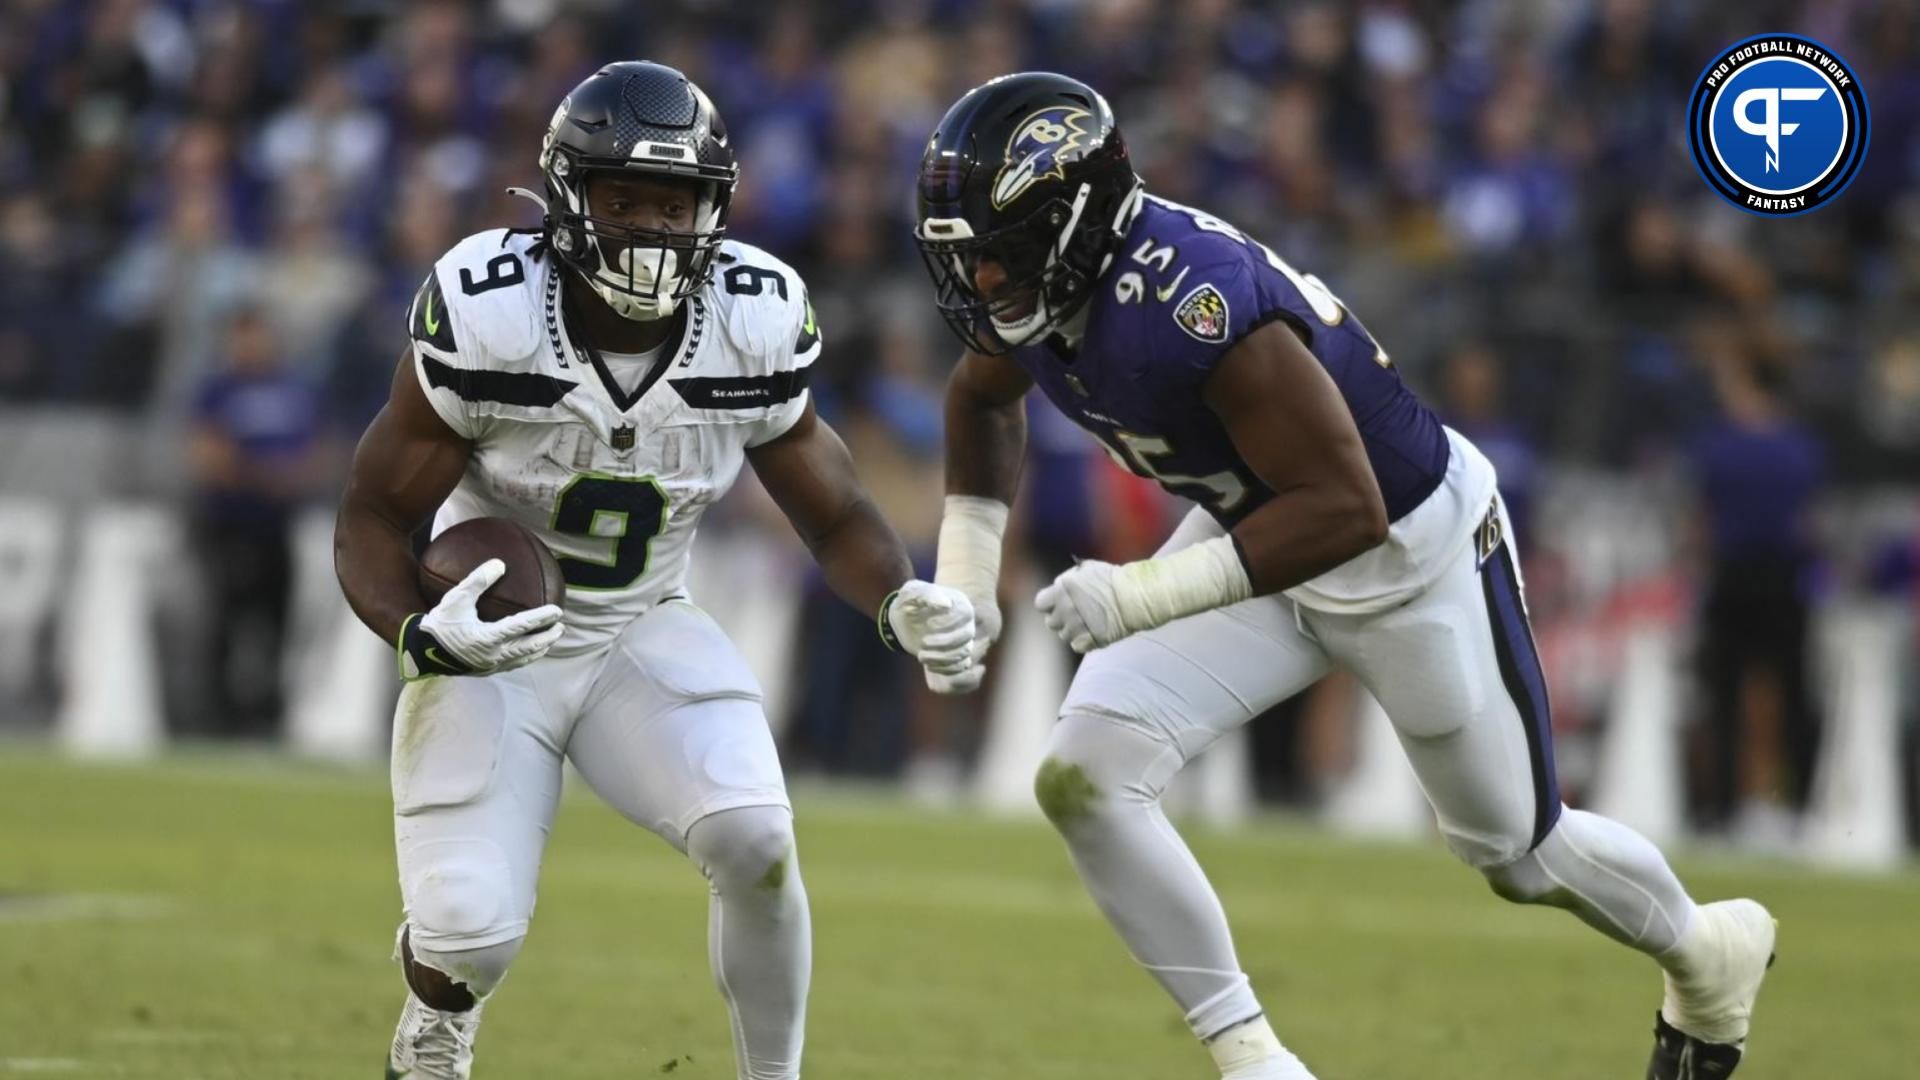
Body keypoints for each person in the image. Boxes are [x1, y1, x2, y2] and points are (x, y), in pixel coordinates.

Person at [909, 72, 1774, 1080]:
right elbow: (980, 397)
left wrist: (1139, 593)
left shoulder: (1192, 307)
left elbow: (1345, 507)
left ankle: (1708, 956)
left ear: (1077, 225)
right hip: (1257, 538)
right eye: (966, 261)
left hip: (1408, 554)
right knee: (1084, 777)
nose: (981, 285)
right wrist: (967, 577)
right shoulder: (1052, 291)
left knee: (1519, 855)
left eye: (998, 258)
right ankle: (1255, 1061)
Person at [334, 62, 975, 1080]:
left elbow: (835, 506)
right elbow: (374, 512)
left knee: (758, 840)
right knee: (468, 937)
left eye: (671, 203)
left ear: (711, 207)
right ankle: (437, 1012)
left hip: (641, 624)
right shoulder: (487, 309)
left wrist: (899, 598)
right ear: (566, 201)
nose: (646, 227)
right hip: (494, 648)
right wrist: (420, 633)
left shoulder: (752, 317)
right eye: (621, 199)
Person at [187, 306, 326, 737]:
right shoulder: (217, 389)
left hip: (278, 526)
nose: (252, 346)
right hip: (230, 523)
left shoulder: (294, 388)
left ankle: (268, 711)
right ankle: (217, 714)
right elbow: (207, 456)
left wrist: (291, 477)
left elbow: (321, 452)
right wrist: (266, 477)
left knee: (278, 621)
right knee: (227, 619)